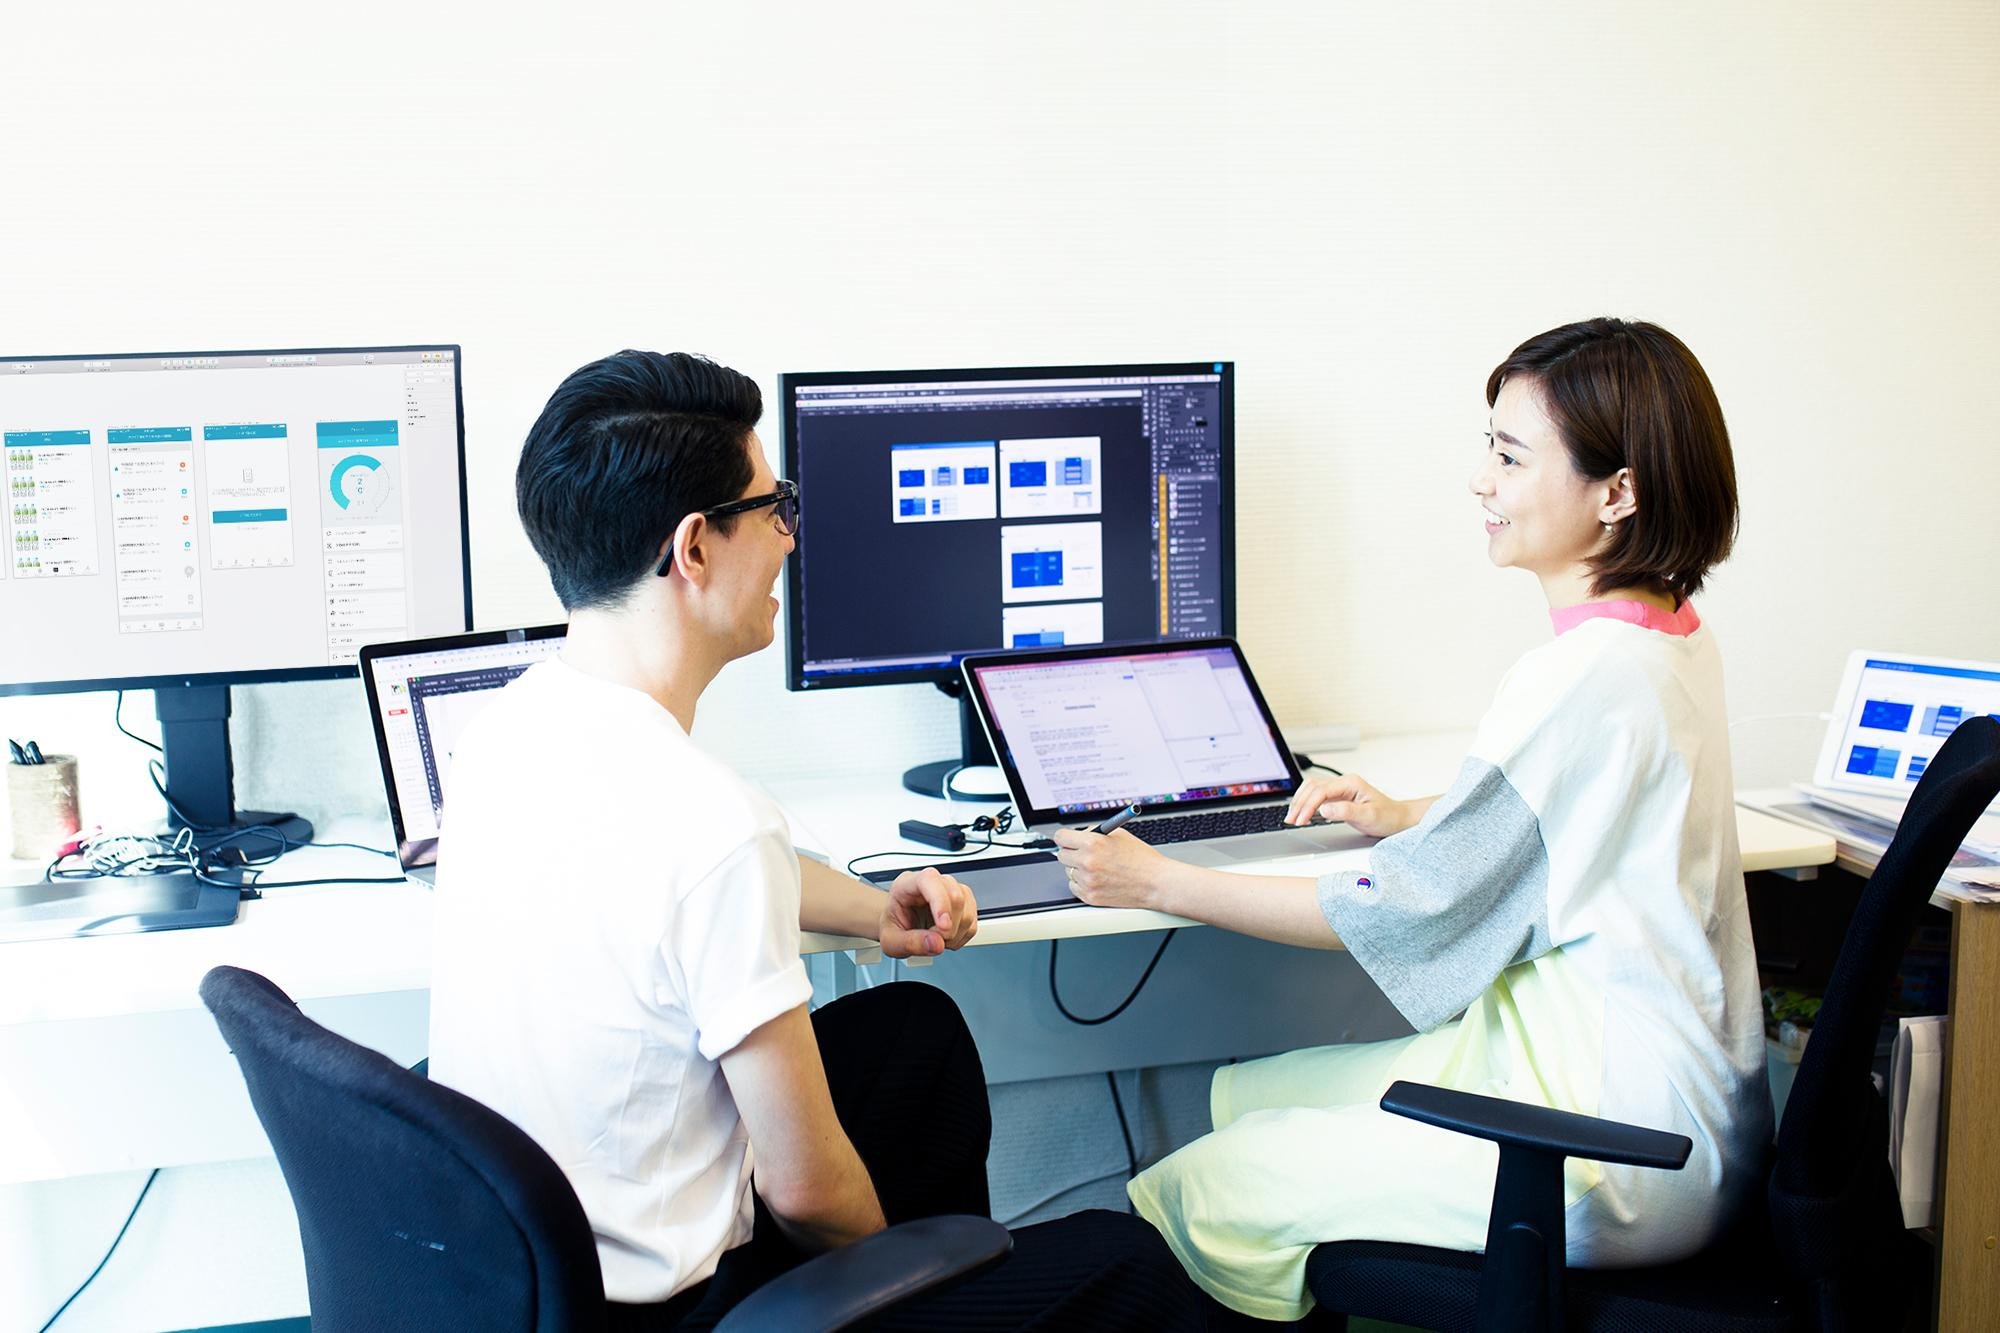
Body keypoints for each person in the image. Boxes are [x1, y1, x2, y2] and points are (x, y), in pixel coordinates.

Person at [428, 350, 1205, 1330]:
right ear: (694, 548)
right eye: (773, 508)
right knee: (1131, 1263)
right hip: (667, 1310)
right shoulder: (708, 820)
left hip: (532, 1269)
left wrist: (877, 910)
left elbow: (689, 881)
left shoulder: (507, 730)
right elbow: (806, 1195)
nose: (790, 539)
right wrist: (903, 1274)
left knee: (913, 1036)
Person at [1054, 318, 1767, 1322]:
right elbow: (1576, 808)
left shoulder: (1582, 676)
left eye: (1510, 457)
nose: (1480, 480)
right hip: (1673, 1104)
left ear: (1617, 492)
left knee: (1208, 1186)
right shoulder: (1670, 633)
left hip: (1607, 1146)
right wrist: (1408, 814)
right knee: (1245, 1097)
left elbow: (1397, 910)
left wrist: (1157, 880)